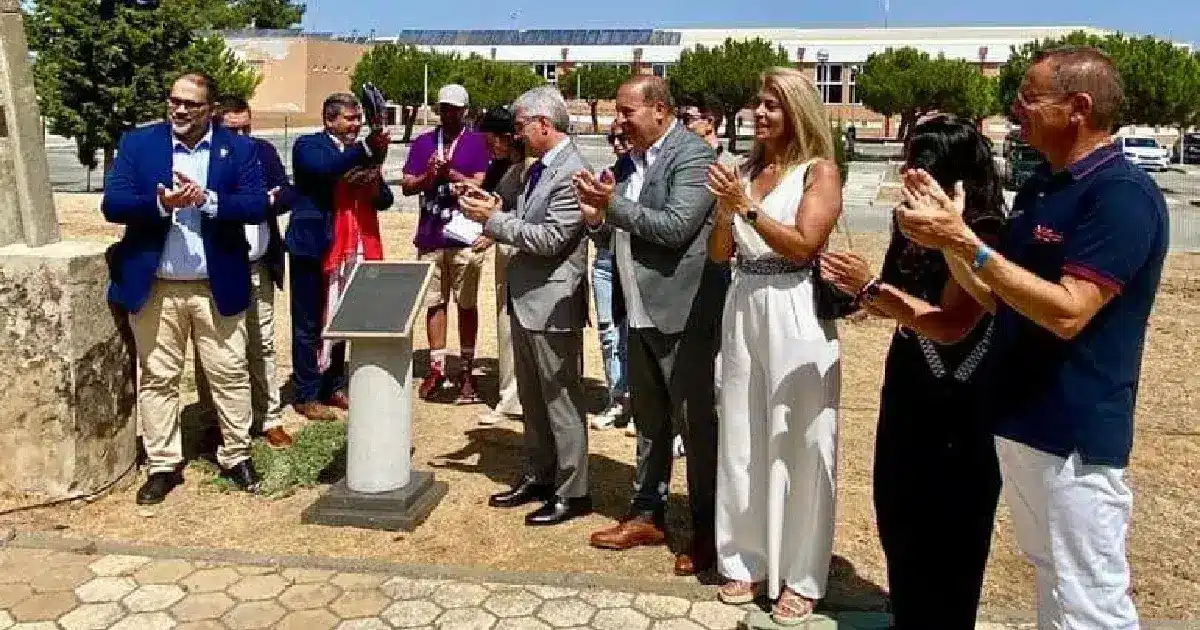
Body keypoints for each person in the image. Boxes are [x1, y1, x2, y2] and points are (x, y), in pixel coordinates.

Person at [892, 47, 1167, 629]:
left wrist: (966, 244)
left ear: (1079, 107)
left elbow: (1069, 312)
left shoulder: (1120, 195)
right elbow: (998, 293)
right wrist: (952, 239)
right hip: (1018, 422)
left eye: (1029, 97)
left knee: (1090, 599)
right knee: (1053, 580)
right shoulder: (1046, 183)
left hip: (1073, 437)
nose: (1016, 108)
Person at [819, 115, 1006, 629]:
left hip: (959, 396)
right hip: (907, 381)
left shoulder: (981, 233)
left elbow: (949, 324)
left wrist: (871, 288)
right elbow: (896, 302)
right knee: (897, 511)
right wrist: (856, 292)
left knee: (950, 531)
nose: (906, 173)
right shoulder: (909, 224)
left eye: (918, 164)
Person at [704, 67, 843, 624]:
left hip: (794, 306)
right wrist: (723, 209)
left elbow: (807, 245)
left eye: (774, 106)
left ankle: (803, 574)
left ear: (798, 112)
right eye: (758, 104)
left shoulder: (820, 172)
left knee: (801, 440)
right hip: (743, 301)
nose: (761, 114)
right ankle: (743, 557)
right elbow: (719, 255)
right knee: (740, 433)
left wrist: (747, 207)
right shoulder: (743, 171)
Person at [575, 76, 728, 577]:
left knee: (695, 427)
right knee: (650, 421)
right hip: (637, 310)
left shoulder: (693, 157)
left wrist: (610, 207)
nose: (618, 120)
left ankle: (708, 532)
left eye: (626, 111)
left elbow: (676, 227)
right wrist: (597, 221)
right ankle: (647, 512)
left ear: (659, 110)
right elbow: (612, 227)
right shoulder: (627, 162)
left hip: (682, 314)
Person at [103, 72, 269, 504]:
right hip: (156, 285)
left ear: (210, 109)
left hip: (216, 285)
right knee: (158, 377)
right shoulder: (139, 145)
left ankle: (236, 455)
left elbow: (255, 206)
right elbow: (113, 204)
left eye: (190, 104)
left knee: (229, 373)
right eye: (174, 101)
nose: (179, 110)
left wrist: (207, 201)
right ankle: (162, 465)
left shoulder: (240, 149)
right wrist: (161, 204)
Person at [457, 86, 593, 526]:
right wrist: (496, 209)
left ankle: (573, 491)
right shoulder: (538, 170)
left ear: (543, 125)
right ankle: (538, 475)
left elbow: (553, 238)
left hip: (553, 303)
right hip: (528, 299)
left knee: (560, 400)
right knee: (534, 401)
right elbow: (529, 221)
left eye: (519, 127)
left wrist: (493, 222)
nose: (514, 136)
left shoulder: (573, 171)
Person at [193, 97, 294, 449]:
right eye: (233, 129)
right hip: (219, 265)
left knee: (262, 344)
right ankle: (214, 419)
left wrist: (270, 200)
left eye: (247, 127)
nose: (242, 135)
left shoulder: (263, 153)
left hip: (258, 265)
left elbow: (287, 192)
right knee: (215, 347)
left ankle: (270, 418)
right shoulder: (204, 159)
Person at [286, 93, 391, 422]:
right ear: (329, 119)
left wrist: (373, 175)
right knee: (310, 323)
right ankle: (306, 393)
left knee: (341, 319)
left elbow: (385, 199)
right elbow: (323, 170)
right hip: (314, 246)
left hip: (351, 248)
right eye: (349, 118)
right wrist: (366, 149)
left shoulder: (360, 153)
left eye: (358, 117)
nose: (356, 123)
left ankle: (334, 386)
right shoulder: (309, 145)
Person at [401, 84, 492, 404]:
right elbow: (407, 186)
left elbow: (479, 182)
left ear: (465, 111)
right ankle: (437, 367)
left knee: (466, 304)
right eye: (443, 108)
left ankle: (466, 369)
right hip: (431, 235)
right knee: (435, 303)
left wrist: (449, 172)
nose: (448, 113)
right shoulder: (424, 142)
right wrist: (428, 175)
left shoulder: (477, 142)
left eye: (454, 108)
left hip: (466, 236)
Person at [473, 106, 527, 426]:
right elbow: (492, 199)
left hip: (528, 246)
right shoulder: (501, 166)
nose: (489, 146)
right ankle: (510, 397)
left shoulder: (530, 165)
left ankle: (528, 396)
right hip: (507, 248)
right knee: (506, 321)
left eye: (492, 139)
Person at [588, 122, 632, 432]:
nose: (616, 144)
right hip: (606, 259)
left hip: (633, 261)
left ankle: (635, 401)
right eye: (612, 138)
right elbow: (600, 231)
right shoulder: (609, 175)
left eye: (622, 138)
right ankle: (616, 397)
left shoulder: (644, 174)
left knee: (632, 334)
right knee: (608, 333)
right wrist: (594, 218)